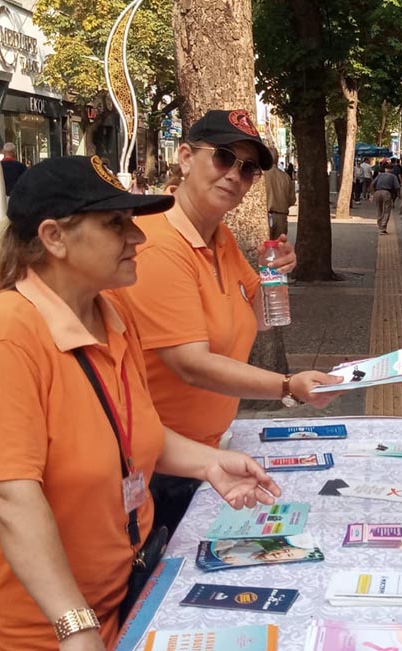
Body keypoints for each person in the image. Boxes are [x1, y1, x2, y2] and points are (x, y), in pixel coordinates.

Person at [0, 155, 282, 651]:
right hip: (46, 624)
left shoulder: (107, 313)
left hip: (121, 588)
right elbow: (8, 497)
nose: (136, 238)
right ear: (54, 238)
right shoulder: (6, 336)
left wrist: (209, 464)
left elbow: (135, 435)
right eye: (116, 224)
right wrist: (75, 628)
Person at [112, 109, 340, 537]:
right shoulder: (157, 244)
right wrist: (287, 387)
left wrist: (276, 276)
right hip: (160, 462)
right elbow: (190, 363)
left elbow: (261, 321)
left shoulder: (220, 237)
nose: (235, 175)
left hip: (208, 448)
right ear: (185, 157)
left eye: (249, 168)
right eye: (222, 158)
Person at [264, 147, 295, 240]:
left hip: (265, 216)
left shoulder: (261, 175)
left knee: (263, 250)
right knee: (279, 249)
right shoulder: (286, 177)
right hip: (281, 216)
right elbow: (292, 200)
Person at [370, 164, 401, 234]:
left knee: (379, 210)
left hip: (377, 192)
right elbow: (397, 187)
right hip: (387, 193)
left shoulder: (380, 175)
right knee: (386, 210)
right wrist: (399, 196)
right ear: (392, 169)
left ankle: (380, 225)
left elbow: (372, 184)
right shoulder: (393, 176)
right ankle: (383, 228)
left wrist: (373, 194)